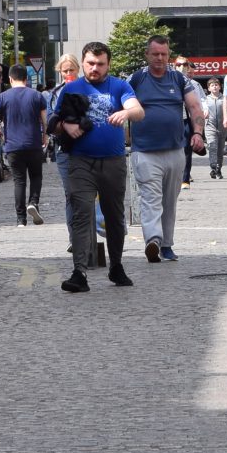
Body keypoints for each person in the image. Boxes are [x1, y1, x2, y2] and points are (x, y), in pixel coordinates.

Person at [52, 43, 141, 293]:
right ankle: (79, 272)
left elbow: (138, 110)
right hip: (80, 161)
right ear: (83, 63)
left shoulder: (119, 86)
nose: (95, 68)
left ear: (108, 64)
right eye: (90, 63)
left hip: (113, 162)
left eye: (100, 64)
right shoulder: (72, 88)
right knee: (82, 213)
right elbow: (53, 122)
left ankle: (117, 266)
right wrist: (65, 126)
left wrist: (126, 113)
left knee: (114, 216)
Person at [127, 36, 204, 263]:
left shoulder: (179, 79)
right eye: (155, 54)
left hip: (175, 150)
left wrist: (198, 133)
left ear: (168, 55)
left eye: (164, 54)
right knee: (150, 198)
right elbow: (120, 102)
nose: (160, 58)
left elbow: (194, 106)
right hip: (144, 151)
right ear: (147, 55)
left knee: (169, 201)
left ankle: (167, 244)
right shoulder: (136, 79)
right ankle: (153, 240)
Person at [0, 63, 49, 225]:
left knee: (19, 181)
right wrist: (45, 136)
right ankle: (34, 203)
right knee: (36, 176)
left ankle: (21, 219)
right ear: (26, 78)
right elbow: (45, 121)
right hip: (33, 143)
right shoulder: (37, 95)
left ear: (10, 79)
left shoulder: (3, 96)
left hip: (13, 146)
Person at [201, 75, 227, 179]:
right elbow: (202, 108)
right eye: (212, 85)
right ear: (209, 88)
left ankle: (218, 169)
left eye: (216, 85)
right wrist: (204, 112)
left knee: (220, 150)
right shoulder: (205, 100)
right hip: (210, 126)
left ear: (220, 87)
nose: (215, 87)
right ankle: (213, 167)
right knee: (212, 146)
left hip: (222, 127)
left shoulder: (224, 98)